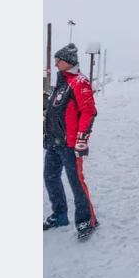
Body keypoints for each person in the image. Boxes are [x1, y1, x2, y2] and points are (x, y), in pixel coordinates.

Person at [43, 43, 99, 241]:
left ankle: (87, 220)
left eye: (59, 60)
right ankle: (59, 215)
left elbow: (89, 111)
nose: (56, 63)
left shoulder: (79, 82)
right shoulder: (61, 82)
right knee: (50, 177)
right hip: (53, 142)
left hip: (69, 144)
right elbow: (54, 110)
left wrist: (82, 138)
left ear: (68, 61)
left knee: (76, 182)